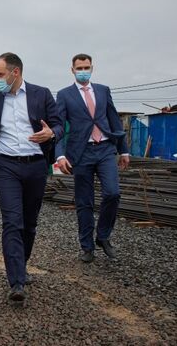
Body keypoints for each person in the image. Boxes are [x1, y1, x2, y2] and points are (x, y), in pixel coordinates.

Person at [0, 52, 63, 305]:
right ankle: (16, 282)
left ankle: (20, 265)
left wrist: (51, 134)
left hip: (35, 165)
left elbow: (58, 125)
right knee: (12, 222)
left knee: (29, 223)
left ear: (15, 72)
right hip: (5, 166)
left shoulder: (41, 94)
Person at [55, 53, 129, 263]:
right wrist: (60, 154)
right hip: (81, 152)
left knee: (113, 193)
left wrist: (123, 150)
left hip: (105, 149)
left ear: (92, 68)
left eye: (86, 67)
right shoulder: (64, 95)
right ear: (72, 70)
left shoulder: (103, 90)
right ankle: (87, 247)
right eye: (79, 68)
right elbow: (58, 126)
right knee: (84, 202)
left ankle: (103, 236)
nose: (83, 71)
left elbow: (114, 120)